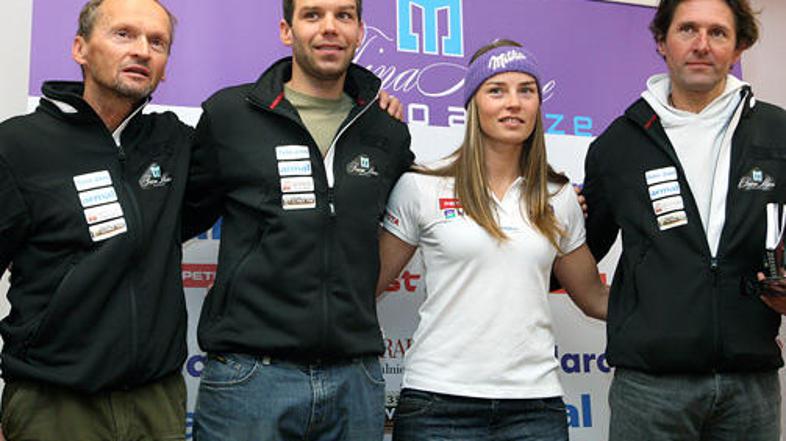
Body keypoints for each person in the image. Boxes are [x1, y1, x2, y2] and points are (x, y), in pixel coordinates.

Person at [186, 0, 414, 439]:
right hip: (250, 379)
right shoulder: (230, 115)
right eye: (312, 15)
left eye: (343, 16)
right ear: (286, 31)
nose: (329, 28)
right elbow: (175, 219)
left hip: (355, 380)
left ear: (360, 32)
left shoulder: (386, 128)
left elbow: (419, 212)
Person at [376, 39, 609, 441]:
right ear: (473, 104)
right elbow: (365, 286)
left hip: (534, 408)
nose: (513, 103)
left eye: (526, 91)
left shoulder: (559, 196)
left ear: (538, 105)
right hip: (437, 403)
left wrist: (683, 308)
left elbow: (594, 298)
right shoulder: (422, 185)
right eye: (496, 90)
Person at [583, 0, 786, 439]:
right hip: (649, 388)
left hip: (751, 384)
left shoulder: (778, 132)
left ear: (739, 48)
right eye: (688, 29)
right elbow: (580, 250)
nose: (701, 45)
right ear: (662, 41)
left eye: (718, 33)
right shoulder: (616, 146)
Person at [0, 0, 193, 439]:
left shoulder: (176, 144)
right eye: (123, 34)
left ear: (165, 67)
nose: (142, 50)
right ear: (80, 49)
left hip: (157, 404)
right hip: (53, 405)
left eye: (157, 42)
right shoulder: (17, 146)